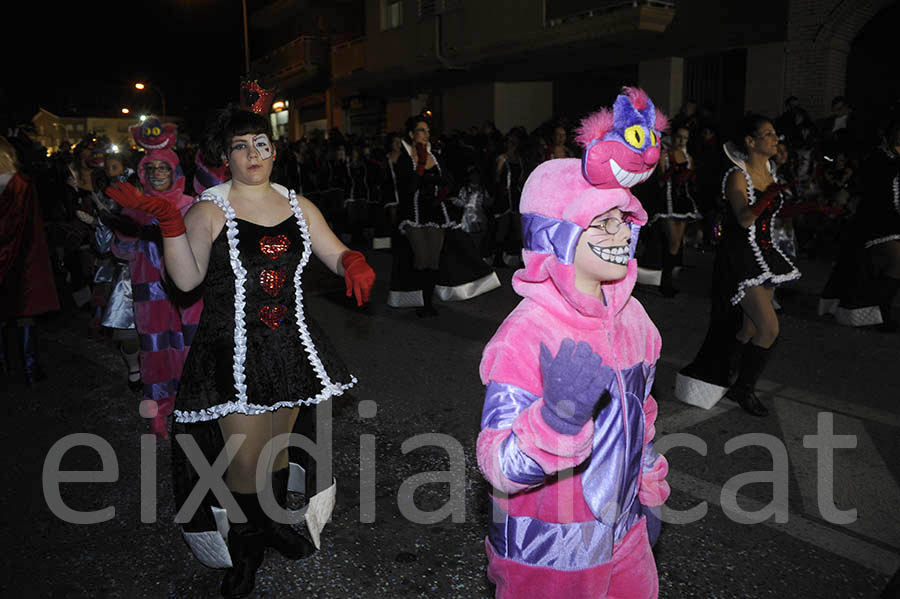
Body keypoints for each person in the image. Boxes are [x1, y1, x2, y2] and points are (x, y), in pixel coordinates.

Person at [108, 105, 375, 598]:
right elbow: (185, 281)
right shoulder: (210, 208)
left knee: (274, 454)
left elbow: (332, 251)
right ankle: (247, 543)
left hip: (292, 348)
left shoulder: (298, 204)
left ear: (274, 150)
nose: (253, 154)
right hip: (233, 354)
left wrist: (353, 262)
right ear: (224, 157)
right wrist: (170, 220)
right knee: (243, 463)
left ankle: (271, 525)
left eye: (261, 143)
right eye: (240, 146)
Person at [477, 88, 670, 599]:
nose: (618, 234)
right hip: (551, 552)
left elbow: (643, 418)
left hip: (624, 532)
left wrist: (648, 494)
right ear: (555, 234)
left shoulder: (636, 321)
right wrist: (558, 418)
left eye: (622, 220)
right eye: (599, 221)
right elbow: (498, 464)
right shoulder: (525, 334)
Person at [677, 114, 801, 416]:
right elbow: (744, 217)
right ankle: (742, 389)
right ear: (750, 141)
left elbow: (773, 215)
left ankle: (725, 375)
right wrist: (768, 196)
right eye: (768, 134)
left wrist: (813, 208)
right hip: (740, 260)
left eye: (775, 134)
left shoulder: (769, 171)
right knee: (769, 328)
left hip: (763, 256)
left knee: (748, 328)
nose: (775, 139)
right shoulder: (736, 175)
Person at [0, 136, 60, 385]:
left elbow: (16, 224)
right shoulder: (22, 183)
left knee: (14, 315)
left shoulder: (21, 185)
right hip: (23, 258)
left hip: (19, 257)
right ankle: (29, 367)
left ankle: (19, 367)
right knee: (22, 315)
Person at [395, 115, 454, 316]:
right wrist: (420, 165)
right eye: (421, 130)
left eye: (428, 131)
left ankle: (428, 303)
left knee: (433, 260)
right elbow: (408, 188)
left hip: (435, 212)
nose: (426, 134)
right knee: (421, 258)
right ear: (411, 134)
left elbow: (449, 180)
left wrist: (443, 190)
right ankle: (421, 303)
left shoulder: (436, 157)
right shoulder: (404, 160)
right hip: (414, 214)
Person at [651, 124, 702, 296]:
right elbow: (658, 181)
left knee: (676, 244)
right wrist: (670, 171)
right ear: (673, 137)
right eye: (679, 137)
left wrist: (690, 176)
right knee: (672, 243)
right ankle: (665, 283)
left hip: (683, 202)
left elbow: (692, 181)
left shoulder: (688, 156)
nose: (681, 141)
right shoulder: (665, 154)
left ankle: (668, 281)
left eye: (685, 138)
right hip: (667, 202)